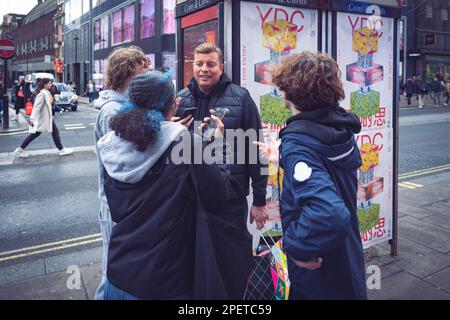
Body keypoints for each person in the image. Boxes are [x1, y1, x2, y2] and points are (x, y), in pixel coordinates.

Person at [97, 70, 232, 299]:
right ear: (173, 104)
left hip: (118, 276)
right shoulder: (185, 142)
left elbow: (117, 207)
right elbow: (218, 199)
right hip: (165, 282)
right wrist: (216, 147)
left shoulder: (111, 141)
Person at [256, 51, 367, 299]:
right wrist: (285, 156)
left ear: (290, 91)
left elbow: (329, 212)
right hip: (346, 259)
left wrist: (296, 248)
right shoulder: (338, 128)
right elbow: (326, 169)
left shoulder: (299, 144)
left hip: (320, 274)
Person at [176, 43, 268, 299]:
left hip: (230, 201)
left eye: (210, 64)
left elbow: (255, 150)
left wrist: (259, 200)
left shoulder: (241, 98)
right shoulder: (181, 100)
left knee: (231, 267)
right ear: (192, 66)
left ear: (221, 67)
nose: (204, 69)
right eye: (199, 64)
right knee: (195, 268)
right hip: (190, 201)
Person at [93, 46, 151, 300]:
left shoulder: (127, 105)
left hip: (126, 201)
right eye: (141, 74)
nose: (145, 79)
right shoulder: (113, 111)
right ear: (126, 74)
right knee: (113, 267)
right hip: (115, 204)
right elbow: (127, 158)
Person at [14, 78, 73, 158]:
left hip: (47, 117)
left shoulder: (47, 92)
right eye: (49, 83)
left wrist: (54, 98)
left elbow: (49, 104)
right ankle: (61, 149)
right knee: (38, 133)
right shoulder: (42, 94)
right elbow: (36, 107)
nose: (50, 84)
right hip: (43, 118)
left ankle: (61, 149)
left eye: (50, 83)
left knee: (52, 132)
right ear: (44, 84)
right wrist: (32, 119)